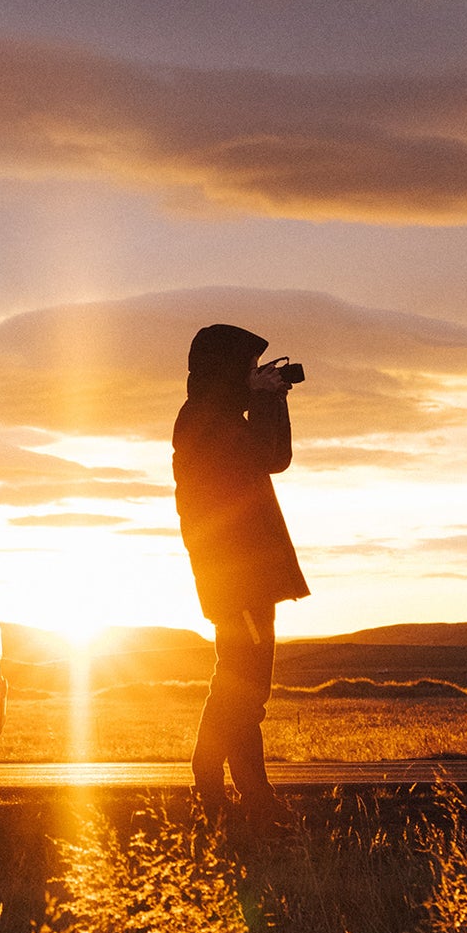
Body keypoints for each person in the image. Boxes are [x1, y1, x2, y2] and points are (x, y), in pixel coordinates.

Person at [172, 323, 309, 822]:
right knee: (244, 690)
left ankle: (219, 787)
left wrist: (271, 399)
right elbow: (267, 455)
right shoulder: (203, 422)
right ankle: (247, 796)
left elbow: (275, 457)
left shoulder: (217, 418)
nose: (256, 375)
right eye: (249, 368)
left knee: (237, 685)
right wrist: (261, 399)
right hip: (237, 578)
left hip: (246, 579)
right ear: (226, 371)